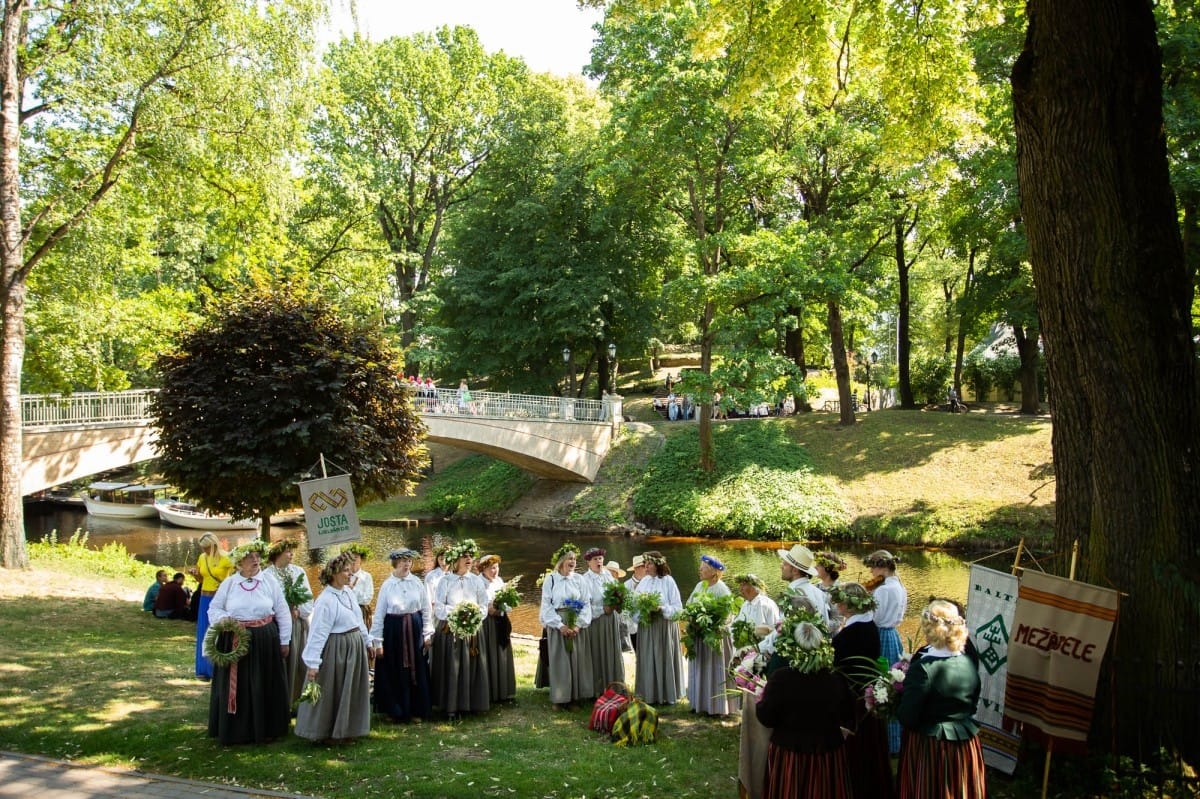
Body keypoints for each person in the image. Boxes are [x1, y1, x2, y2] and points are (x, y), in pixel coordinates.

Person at [755, 613, 854, 799]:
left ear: (794, 648)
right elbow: (848, 714)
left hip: (790, 754)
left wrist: (759, 703)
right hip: (827, 753)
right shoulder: (835, 681)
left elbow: (766, 717)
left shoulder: (781, 678)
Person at [895, 599, 986, 799]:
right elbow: (973, 703)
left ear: (929, 629)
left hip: (931, 748)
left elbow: (908, 716)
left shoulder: (924, 668)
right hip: (964, 746)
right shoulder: (968, 663)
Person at [206, 540, 291, 746]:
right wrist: (225, 620)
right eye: (249, 557)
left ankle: (268, 728)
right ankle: (237, 731)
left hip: (265, 639)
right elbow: (214, 609)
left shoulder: (270, 582)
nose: (255, 560)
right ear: (239, 563)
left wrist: (285, 640)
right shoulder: (230, 583)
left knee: (265, 682)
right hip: (235, 638)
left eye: (257, 556)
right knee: (239, 685)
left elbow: (282, 610)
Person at [296, 553, 372, 745]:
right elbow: (318, 632)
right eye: (345, 571)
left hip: (353, 647)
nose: (349, 574)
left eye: (349, 570)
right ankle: (327, 732)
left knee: (351, 689)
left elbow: (358, 619)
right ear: (334, 574)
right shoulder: (325, 600)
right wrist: (313, 662)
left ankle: (348, 729)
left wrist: (367, 641)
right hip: (336, 650)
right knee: (334, 689)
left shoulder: (348, 593)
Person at [831, 583, 895, 799]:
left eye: (840, 601)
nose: (836, 604)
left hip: (851, 695)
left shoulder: (850, 634)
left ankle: (853, 783)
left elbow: (839, 664)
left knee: (855, 743)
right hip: (866, 690)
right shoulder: (868, 625)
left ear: (850, 605)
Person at [371, 548, 434, 722]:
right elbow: (379, 614)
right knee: (394, 668)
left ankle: (416, 709)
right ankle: (396, 710)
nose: (407, 564)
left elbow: (426, 609)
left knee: (416, 668)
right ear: (395, 563)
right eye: (403, 561)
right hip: (394, 632)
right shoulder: (387, 585)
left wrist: (427, 633)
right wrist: (377, 642)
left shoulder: (416, 583)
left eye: (409, 561)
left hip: (414, 629)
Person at [733, 574, 780, 799]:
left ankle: (760, 724)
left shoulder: (766, 604)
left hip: (762, 652)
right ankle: (749, 718)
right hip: (748, 650)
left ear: (752, 586)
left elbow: (770, 631)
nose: (741, 589)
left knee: (759, 688)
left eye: (743, 585)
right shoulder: (745, 604)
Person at [431, 539, 491, 717]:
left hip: (473, 630)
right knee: (453, 667)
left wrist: (474, 616)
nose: (469, 559)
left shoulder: (476, 581)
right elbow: (439, 607)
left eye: (471, 556)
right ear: (455, 560)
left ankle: (472, 704)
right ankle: (451, 706)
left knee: (472, 665)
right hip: (451, 631)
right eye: (465, 556)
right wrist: (457, 614)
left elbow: (484, 605)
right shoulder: (446, 581)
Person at [539, 543, 594, 709]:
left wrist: (577, 625)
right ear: (562, 561)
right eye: (570, 558)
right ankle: (560, 698)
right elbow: (546, 604)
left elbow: (586, 603)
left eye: (575, 559)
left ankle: (574, 697)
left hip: (575, 623)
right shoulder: (551, 579)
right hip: (558, 623)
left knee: (576, 659)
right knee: (560, 660)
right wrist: (559, 625)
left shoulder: (579, 580)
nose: (573, 561)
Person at [865, 548, 908, 753]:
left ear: (881, 567)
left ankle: (884, 741)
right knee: (893, 684)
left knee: (880, 686)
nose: (871, 573)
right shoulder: (899, 586)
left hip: (880, 635)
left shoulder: (882, 590)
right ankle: (896, 739)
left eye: (873, 567)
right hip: (893, 635)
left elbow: (873, 617)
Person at [684, 554, 738, 716]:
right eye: (700, 567)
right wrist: (692, 618)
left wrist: (714, 625)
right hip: (700, 635)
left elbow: (728, 615)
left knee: (715, 670)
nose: (699, 570)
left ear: (713, 572)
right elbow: (689, 605)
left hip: (715, 637)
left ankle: (717, 707)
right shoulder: (700, 586)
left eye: (703, 568)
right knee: (701, 668)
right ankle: (700, 703)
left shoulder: (721, 589)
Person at [265, 539, 314, 709]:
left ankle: (296, 701)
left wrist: (299, 611)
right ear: (277, 554)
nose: (291, 554)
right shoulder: (267, 575)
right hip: (276, 624)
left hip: (297, 625)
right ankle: (278, 702)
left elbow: (308, 598)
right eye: (288, 551)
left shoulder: (298, 571)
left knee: (297, 663)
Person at [631, 550, 684, 705]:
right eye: (645, 563)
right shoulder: (644, 581)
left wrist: (662, 608)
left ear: (658, 565)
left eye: (649, 563)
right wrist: (643, 612)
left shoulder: (668, 581)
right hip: (647, 626)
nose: (645, 566)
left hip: (663, 627)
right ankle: (649, 693)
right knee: (648, 657)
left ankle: (667, 693)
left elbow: (677, 608)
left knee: (663, 657)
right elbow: (635, 606)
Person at [580, 548, 625, 696]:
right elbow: (584, 606)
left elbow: (616, 592)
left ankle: (615, 688)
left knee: (612, 653)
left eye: (600, 558)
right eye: (595, 559)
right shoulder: (585, 580)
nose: (599, 561)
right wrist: (602, 609)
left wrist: (617, 602)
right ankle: (597, 690)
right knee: (597, 654)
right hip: (596, 624)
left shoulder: (608, 576)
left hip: (611, 621)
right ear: (588, 562)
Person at [191, 532, 234, 681]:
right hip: (204, 597)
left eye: (207, 547)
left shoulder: (226, 557)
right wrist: (195, 574)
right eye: (203, 548)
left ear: (214, 545)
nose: (205, 551)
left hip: (219, 598)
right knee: (204, 631)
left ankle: (217, 667)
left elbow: (235, 576)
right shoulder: (202, 558)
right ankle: (203, 669)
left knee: (216, 630)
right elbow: (201, 579)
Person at [478, 553, 517, 703]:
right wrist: (489, 608)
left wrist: (502, 607)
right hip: (486, 624)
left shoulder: (499, 581)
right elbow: (479, 603)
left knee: (502, 654)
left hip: (501, 621)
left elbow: (508, 603)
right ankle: (490, 692)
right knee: (489, 655)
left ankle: (504, 692)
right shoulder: (478, 582)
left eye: (496, 567)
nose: (495, 571)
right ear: (483, 569)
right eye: (491, 568)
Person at [776, 544, 831, 630]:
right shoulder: (819, 593)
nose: (781, 566)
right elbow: (826, 626)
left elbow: (782, 630)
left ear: (795, 571)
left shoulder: (792, 596)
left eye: (785, 564)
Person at [813, 552, 847, 634]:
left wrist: (816, 628)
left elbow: (838, 621)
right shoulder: (815, 587)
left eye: (818, 565)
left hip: (831, 638)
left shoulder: (838, 591)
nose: (815, 567)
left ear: (828, 568)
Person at [605, 560, 633, 652]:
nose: (610, 573)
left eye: (612, 572)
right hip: (607, 613)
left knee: (622, 627)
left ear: (616, 574)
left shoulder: (620, 586)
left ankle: (624, 645)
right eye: (608, 571)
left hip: (619, 613)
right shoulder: (604, 584)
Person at [624, 554, 647, 654]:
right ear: (636, 568)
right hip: (634, 628)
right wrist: (630, 626)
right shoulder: (626, 585)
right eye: (643, 566)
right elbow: (624, 609)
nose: (646, 568)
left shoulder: (650, 582)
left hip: (649, 625)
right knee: (639, 654)